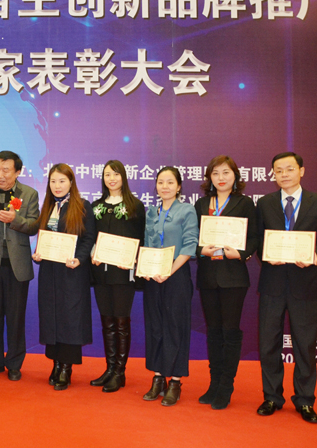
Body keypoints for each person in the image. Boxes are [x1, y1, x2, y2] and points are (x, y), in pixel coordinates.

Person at [256, 152, 317, 424]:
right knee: (269, 344)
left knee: (304, 345)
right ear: (273, 174)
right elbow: (258, 240)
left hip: (306, 285)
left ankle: (304, 400)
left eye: (289, 169)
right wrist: (266, 254)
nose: (284, 174)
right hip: (272, 284)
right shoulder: (265, 203)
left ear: (301, 170)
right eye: (278, 170)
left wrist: (314, 255)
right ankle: (271, 397)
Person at [194, 156, 258, 409]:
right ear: (209, 177)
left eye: (226, 173)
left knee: (230, 331)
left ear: (235, 176)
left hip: (233, 278)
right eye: (215, 173)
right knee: (213, 332)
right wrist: (200, 250)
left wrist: (240, 254)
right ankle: (214, 383)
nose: (221, 178)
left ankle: (226, 386)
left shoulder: (245, 204)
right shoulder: (201, 204)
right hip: (208, 276)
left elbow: (254, 238)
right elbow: (192, 237)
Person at [0, 151, 39, 382]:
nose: (0, 175)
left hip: (17, 265)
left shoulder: (29, 194)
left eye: (6, 170)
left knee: (15, 317)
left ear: (17, 172)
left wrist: (16, 220)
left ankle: (14, 363)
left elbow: (34, 226)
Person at [33, 163, 97, 391]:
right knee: (52, 316)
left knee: (70, 319)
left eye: (62, 181)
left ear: (71, 182)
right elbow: (43, 237)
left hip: (71, 272)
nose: (57, 186)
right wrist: (38, 253)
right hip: (49, 272)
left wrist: (79, 258)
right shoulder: (48, 206)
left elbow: (89, 238)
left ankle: (66, 367)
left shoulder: (82, 206)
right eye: (53, 181)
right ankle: (56, 363)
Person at [142, 166, 198, 406]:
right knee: (155, 326)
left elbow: (190, 244)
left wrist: (169, 270)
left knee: (176, 327)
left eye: (170, 182)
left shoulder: (187, 210)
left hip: (176, 276)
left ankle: (175, 381)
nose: (164, 186)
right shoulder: (150, 212)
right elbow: (146, 244)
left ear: (179, 186)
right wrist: (146, 269)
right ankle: (158, 378)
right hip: (153, 277)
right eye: (160, 182)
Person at [89, 160, 145, 393]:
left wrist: (134, 257)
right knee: (107, 321)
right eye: (107, 175)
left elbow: (141, 237)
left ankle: (120, 372)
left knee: (121, 322)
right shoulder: (96, 206)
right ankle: (110, 369)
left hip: (123, 273)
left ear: (123, 177)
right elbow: (91, 236)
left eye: (116, 174)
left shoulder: (135, 206)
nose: (111, 179)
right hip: (101, 272)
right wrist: (93, 252)